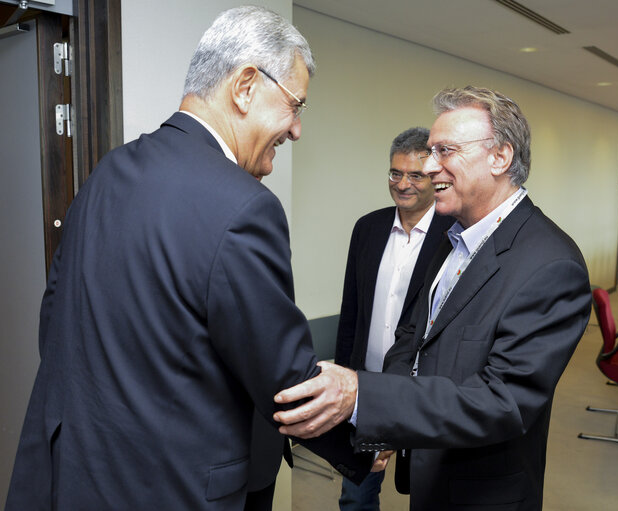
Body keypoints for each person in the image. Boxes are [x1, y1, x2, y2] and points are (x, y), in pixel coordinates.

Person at [5, 6, 372, 511]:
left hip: (76, 478)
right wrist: (362, 439)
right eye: (296, 105)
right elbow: (281, 380)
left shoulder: (107, 173)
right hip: (173, 489)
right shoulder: (244, 206)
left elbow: (55, 325)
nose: (296, 129)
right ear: (245, 86)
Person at [274, 86, 592, 510]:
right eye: (430, 151)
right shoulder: (453, 237)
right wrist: (387, 418)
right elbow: (413, 336)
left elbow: (503, 403)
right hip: (426, 474)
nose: (430, 165)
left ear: (500, 157)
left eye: (445, 151)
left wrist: (364, 397)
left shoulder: (551, 264)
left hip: (481, 494)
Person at [335, 127, 453, 510]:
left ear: (434, 179)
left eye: (415, 175)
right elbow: (351, 311)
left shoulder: (454, 236)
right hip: (366, 390)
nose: (402, 184)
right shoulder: (367, 228)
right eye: (395, 173)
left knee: (429, 491)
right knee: (356, 494)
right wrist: (343, 376)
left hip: (423, 391)